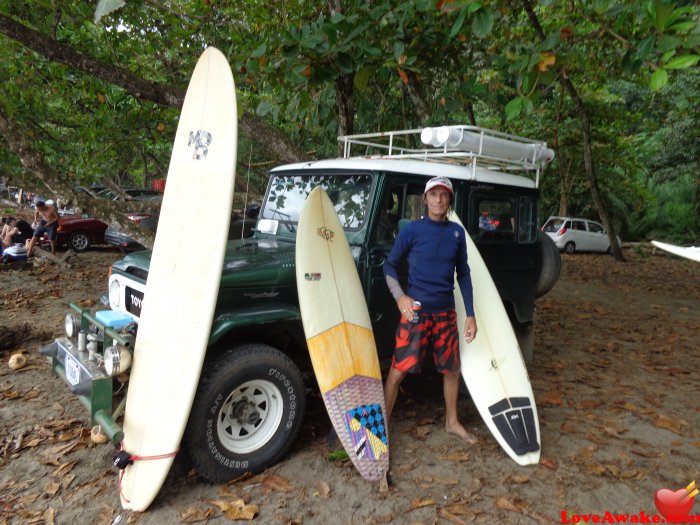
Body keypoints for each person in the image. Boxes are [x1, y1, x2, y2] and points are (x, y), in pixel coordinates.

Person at [383, 176, 478, 444]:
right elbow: (389, 266)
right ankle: (383, 424)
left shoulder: (457, 234)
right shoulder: (412, 230)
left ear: (449, 201)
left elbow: (464, 274)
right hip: (415, 312)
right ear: (425, 199)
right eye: (433, 194)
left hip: (445, 313)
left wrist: (470, 314)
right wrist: (400, 297)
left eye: (444, 195)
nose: (438, 199)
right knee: (398, 370)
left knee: (451, 369)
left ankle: (452, 422)